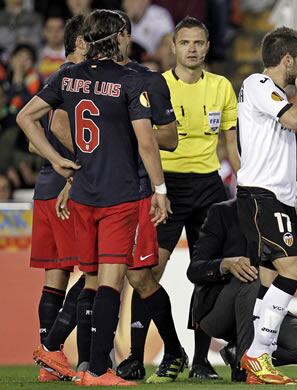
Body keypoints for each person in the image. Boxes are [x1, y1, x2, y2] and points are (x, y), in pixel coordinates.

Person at [18, 9, 169, 386]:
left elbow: (25, 117)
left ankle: (57, 351)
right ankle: (98, 370)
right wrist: (160, 190)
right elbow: (148, 144)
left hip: (81, 195)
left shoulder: (67, 76)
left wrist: (58, 161)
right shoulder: (130, 81)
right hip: (117, 196)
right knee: (110, 284)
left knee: (88, 279)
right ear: (118, 36)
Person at [139, 16, 238, 380]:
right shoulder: (156, 86)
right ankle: (162, 352)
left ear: (207, 47)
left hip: (210, 187)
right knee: (149, 272)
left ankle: (200, 362)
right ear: (173, 47)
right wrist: (153, 187)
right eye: (186, 43)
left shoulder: (222, 86)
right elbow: (145, 143)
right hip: (167, 187)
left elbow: (232, 147)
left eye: (199, 43)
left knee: (208, 274)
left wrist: (245, 188)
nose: (192, 49)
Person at [188, 199, 297, 382]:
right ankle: (245, 371)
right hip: (219, 311)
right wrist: (225, 264)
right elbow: (194, 270)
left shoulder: (291, 221)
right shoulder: (223, 211)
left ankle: (241, 354)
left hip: (264, 309)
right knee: (258, 275)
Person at [235, 26, 297, 385]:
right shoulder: (260, 85)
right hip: (263, 197)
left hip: (273, 197)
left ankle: (252, 361)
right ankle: (257, 354)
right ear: (287, 60)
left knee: (268, 280)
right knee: (293, 268)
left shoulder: (271, 92)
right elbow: (295, 119)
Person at [26, 14, 85, 383]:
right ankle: (51, 350)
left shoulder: (55, 77)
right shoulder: (76, 78)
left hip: (46, 187)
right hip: (68, 188)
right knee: (98, 271)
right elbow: (57, 129)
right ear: (79, 43)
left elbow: (34, 140)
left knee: (56, 278)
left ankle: (51, 361)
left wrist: (53, 158)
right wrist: (78, 164)